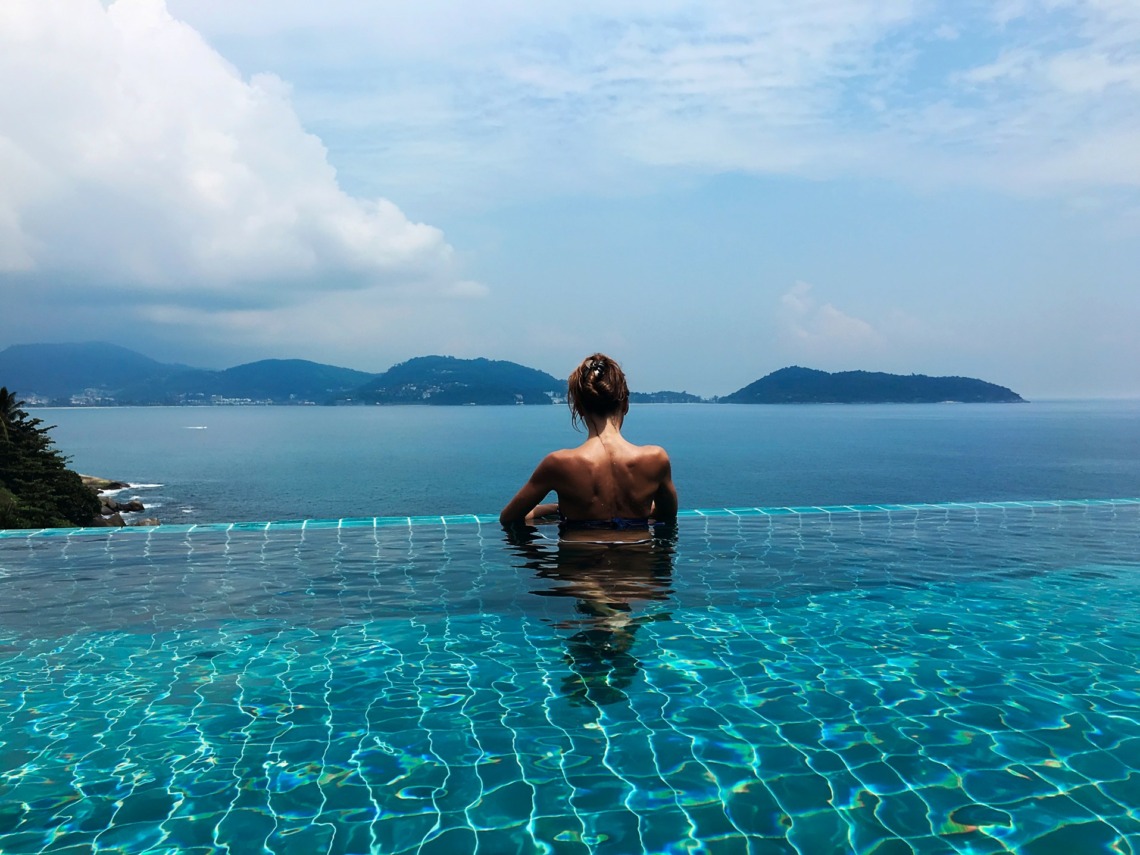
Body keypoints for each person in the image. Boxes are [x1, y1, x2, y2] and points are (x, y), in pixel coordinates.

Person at [500, 353, 678, 539]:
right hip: (638, 565)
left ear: (579, 407)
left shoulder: (558, 463)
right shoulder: (656, 459)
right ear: (625, 404)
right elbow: (667, 515)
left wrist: (557, 509)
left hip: (578, 566)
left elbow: (508, 518)